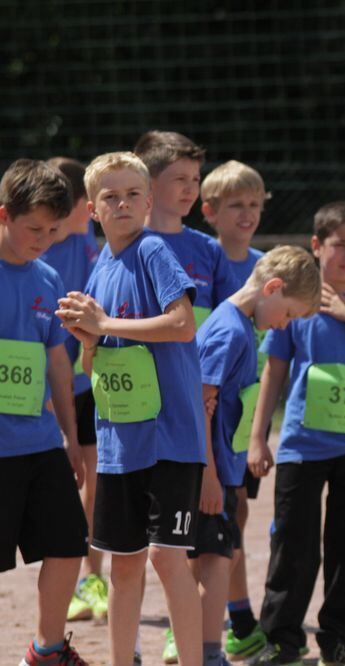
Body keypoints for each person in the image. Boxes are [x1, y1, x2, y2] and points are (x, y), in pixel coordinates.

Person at [56, 151, 206, 666]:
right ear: (93, 210)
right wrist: (86, 337)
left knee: (168, 559)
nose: (122, 203)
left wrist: (104, 327)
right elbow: (90, 357)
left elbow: (183, 324)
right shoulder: (99, 268)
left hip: (170, 437)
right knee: (123, 566)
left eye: (132, 194)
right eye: (109, 196)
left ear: (148, 201)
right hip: (121, 443)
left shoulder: (153, 251)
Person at [246, 202, 345, 665]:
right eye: (340, 245)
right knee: (292, 543)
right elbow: (274, 373)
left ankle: (339, 639)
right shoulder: (296, 302)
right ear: (317, 246)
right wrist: (259, 437)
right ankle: (282, 639)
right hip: (302, 444)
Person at [190, 245, 321, 666]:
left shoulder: (241, 326)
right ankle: (210, 653)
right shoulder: (229, 329)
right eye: (288, 314)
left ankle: (206, 649)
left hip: (223, 468)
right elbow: (200, 406)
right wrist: (209, 476)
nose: (284, 325)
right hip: (210, 472)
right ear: (273, 287)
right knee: (212, 563)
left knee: (216, 560)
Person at [1, 159, 90, 665]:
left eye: (54, 230)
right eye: (34, 228)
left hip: (38, 443)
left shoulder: (49, 276)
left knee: (68, 542)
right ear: (3, 215)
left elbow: (59, 362)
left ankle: (47, 650)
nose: (44, 238)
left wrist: (71, 438)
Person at [199, 159, 272, 659]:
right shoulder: (204, 264)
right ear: (210, 212)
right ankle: (193, 621)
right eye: (235, 205)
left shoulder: (267, 267)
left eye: (254, 204)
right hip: (207, 416)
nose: (246, 214)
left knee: (237, 515)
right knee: (207, 523)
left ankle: (238, 618)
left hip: (244, 420)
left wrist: (260, 430)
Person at [39, 157, 107, 625]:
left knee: (94, 472)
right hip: (50, 381)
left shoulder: (85, 236)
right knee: (58, 480)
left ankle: (91, 577)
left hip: (87, 375)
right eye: (90, 199)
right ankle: (62, 579)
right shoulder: (37, 250)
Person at [133, 130, 239, 330]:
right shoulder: (126, 244)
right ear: (147, 182)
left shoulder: (209, 249)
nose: (191, 189)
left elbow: (231, 319)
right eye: (181, 179)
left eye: (196, 179)